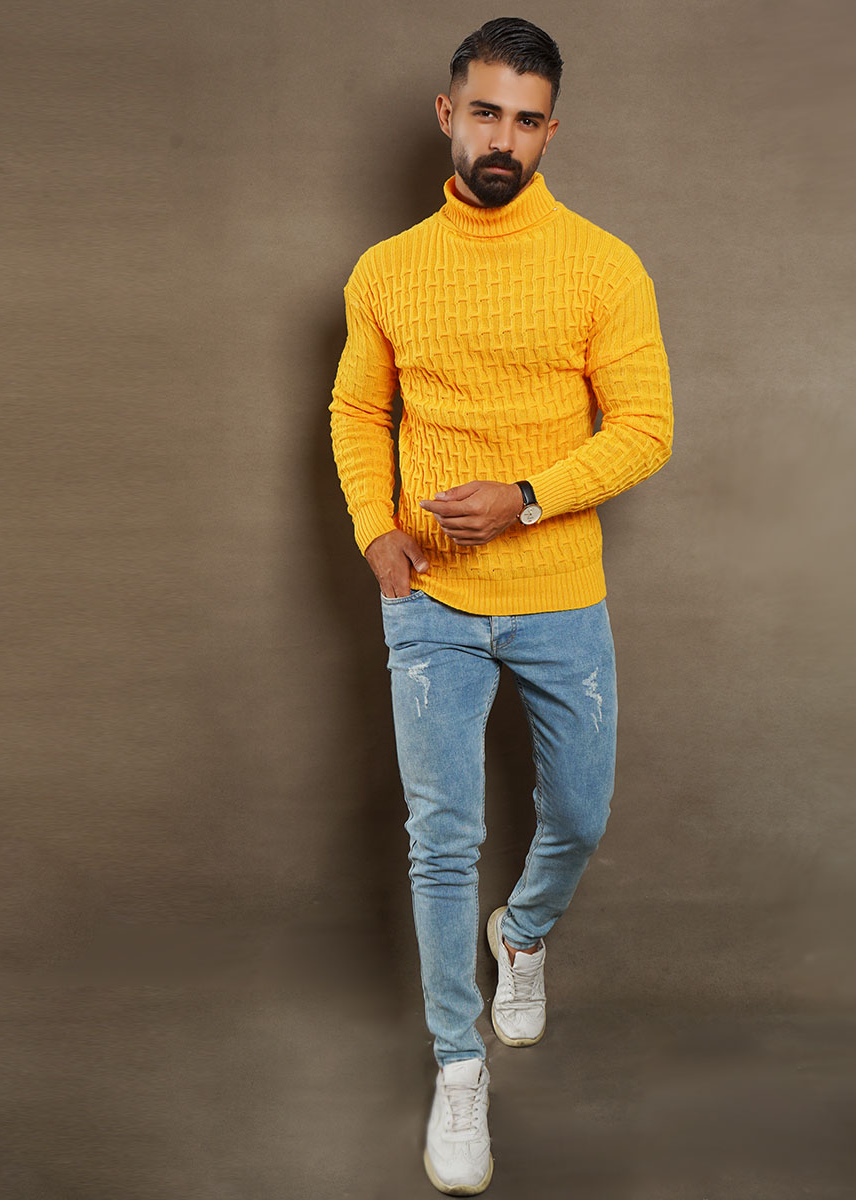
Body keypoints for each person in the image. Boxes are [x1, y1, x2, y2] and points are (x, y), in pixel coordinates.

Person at [329, 17, 673, 1195]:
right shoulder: (385, 270)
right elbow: (357, 410)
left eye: (527, 122)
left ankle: (521, 933)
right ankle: (458, 1063)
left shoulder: (603, 265)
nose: (504, 140)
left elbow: (646, 429)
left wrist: (526, 498)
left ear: (550, 133)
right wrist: (373, 528)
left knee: (579, 811)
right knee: (442, 838)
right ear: (448, 114)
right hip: (428, 599)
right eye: (486, 113)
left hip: (559, 595)